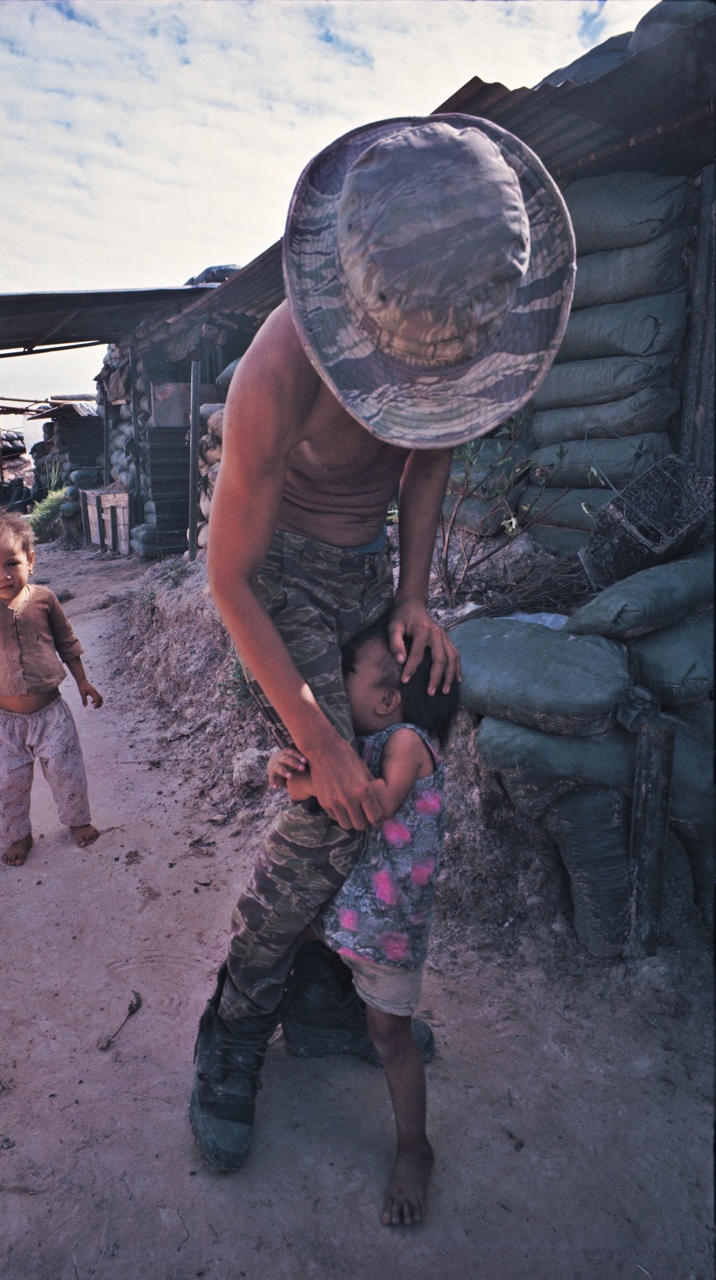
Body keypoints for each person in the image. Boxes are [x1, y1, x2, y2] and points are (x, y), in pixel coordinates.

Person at [190, 113, 575, 1178]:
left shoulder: (457, 328)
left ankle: (322, 991)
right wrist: (314, 732)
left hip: (365, 578)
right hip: (281, 586)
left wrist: (414, 594)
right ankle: (232, 1028)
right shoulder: (277, 373)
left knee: (391, 790)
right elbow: (228, 577)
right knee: (331, 805)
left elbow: (426, 467)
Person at [268, 614, 458, 1225]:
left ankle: (414, 1148)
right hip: (345, 916)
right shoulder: (360, 745)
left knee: (391, 1039)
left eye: (346, 672)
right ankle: (263, 1029)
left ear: (387, 697)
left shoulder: (405, 743)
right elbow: (312, 793)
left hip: (386, 935)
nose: (334, 682)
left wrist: (324, 774)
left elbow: (375, 804)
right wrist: (291, 771)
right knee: (278, 938)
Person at [0, 510, 103, 866]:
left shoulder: (46, 600)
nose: (3, 575)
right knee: (7, 784)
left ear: (30, 560)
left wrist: (82, 681)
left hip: (52, 712)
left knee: (67, 772)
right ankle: (18, 835)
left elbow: (67, 643)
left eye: (11, 563)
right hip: (4, 721)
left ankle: (78, 821)